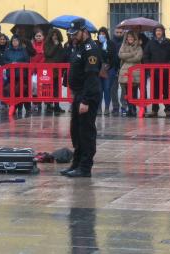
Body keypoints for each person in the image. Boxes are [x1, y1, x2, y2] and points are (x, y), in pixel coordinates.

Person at [60, 18, 101, 178]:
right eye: (70, 34)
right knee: (76, 131)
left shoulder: (90, 49)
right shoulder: (78, 47)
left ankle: (85, 167)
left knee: (86, 132)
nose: (72, 37)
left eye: (75, 33)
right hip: (78, 94)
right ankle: (76, 163)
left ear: (84, 31)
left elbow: (91, 77)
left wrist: (85, 101)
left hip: (87, 96)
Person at [143, 25, 170, 118]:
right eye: (157, 30)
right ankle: (154, 110)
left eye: (160, 30)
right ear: (154, 32)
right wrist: (149, 66)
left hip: (166, 72)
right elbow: (146, 56)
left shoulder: (169, 42)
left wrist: (168, 65)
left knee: (166, 91)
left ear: (163, 32)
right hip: (155, 72)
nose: (158, 32)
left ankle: (168, 110)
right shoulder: (150, 43)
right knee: (155, 91)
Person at [3, 35, 30, 114]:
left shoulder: (23, 50)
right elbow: (4, 61)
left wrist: (18, 64)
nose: (15, 42)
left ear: (19, 42)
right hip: (10, 75)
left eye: (16, 40)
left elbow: (27, 61)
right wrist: (11, 63)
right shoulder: (7, 51)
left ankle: (24, 107)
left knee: (23, 91)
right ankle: (13, 107)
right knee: (12, 91)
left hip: (22, 75)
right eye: (13, 40)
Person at [118, 31, 143, 117]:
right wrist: (132, 54)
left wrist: (127, 57)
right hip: (125, 72)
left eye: (131, 37)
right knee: (127, 92)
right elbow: (120, 55)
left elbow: (138, 57)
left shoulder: (138, 47)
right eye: (128, 37)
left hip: (135, 72)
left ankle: (134, 109)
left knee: (134, 91)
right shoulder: (123, 45)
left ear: (134, 38)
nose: (130, 39)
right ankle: (129, 108)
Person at [96, 27, 118, 116]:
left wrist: (109, 66)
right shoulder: (97, 44)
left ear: (106, 35)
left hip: (109, 69)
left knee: (107, 89)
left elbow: (114, 56)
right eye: (100, 34)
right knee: (99, 90)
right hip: (98, 70)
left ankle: (107, 108)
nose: (101, 35)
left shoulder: (111, 43)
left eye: (103, 33)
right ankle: (98, 108)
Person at [44, 28, 65, 113]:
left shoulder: (60, 44)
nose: (55, 37)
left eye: (56, 35)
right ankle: (49, 105)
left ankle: (56, 105)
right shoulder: (47, 44)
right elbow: (48, 54)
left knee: (57, 87)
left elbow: (62, 55)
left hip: (58, 68)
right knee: (49, 87)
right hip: (49, 68)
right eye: (53, 35)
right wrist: (55, 46)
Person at [30, 30, 46, 112]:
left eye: (40, 36)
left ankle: (39, 103)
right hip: (33, 70)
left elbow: (45, 56)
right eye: (37, 36)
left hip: (42, 69)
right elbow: (32, 57)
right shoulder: (32, 45)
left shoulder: (46, 45)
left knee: (41, 87)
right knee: (33, 87)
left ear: (43, 37)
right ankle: (34, 103)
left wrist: (39, 65)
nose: (38, 37)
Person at [110, 27, 124, 116]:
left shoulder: (125, 42)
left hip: (123, 68)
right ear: (114, 32)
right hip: (113, 68)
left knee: (124, 89)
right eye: (117, 32)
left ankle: (124, 107)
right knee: (113, 89)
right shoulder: (111, 42)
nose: (119, 34)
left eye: (120, 32)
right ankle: (115, 107)